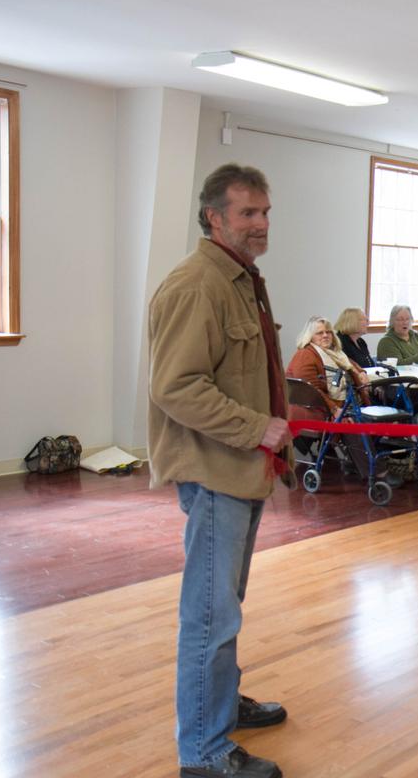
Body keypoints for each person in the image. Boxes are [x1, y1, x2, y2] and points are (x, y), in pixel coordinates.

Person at [149, 163, 292, 778]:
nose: (261, 224)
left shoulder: (241, 279)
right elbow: (174, 387)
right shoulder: (196, 285)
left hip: (244, 471)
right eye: (247, 213)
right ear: (214, 216)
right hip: (214, 471)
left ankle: (220, 703)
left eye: (265, 211)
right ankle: (203, 752)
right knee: (209, 613)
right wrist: (255, 427)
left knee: (224, 603)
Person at [286, 316, 370, 417]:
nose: (325, 335)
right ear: (310, 336)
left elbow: (350, 363)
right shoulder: (305, 355)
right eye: (320, 333)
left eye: (328, 332)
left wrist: (361, 371)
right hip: (326, 412)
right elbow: (310, 390)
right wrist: (334, 409)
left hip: (352, 405)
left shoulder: (335, 352)